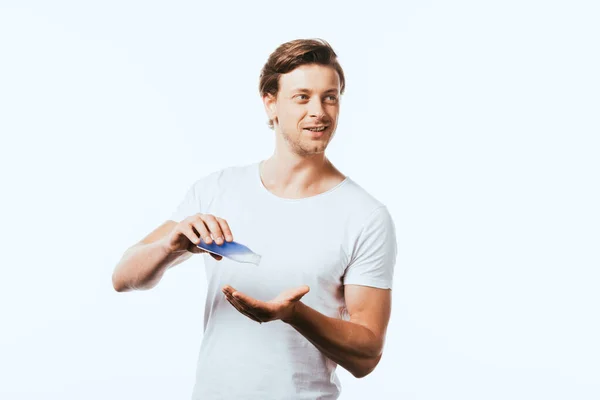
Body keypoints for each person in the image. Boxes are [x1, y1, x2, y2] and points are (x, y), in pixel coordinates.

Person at [112, 38, 398, 400]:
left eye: (330, 96)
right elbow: (123, 278)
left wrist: (294, 314)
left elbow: (367, 354)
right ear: (270, 103)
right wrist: (169, 247)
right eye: (302, 97)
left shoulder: (365, 216)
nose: (319, 111)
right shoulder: (217, 189)